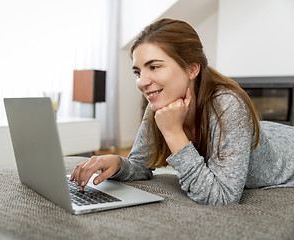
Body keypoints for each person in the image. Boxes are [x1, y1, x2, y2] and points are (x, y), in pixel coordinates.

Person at [70, 18, 294, 205]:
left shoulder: (228, 105)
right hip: (263, 133)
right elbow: (141, 166)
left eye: (154, 67)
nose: (142, 82)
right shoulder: (158, 102)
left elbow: (222, 197)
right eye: (138, 72)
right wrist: (118, 163)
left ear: (192, 68)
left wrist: (174, 134)